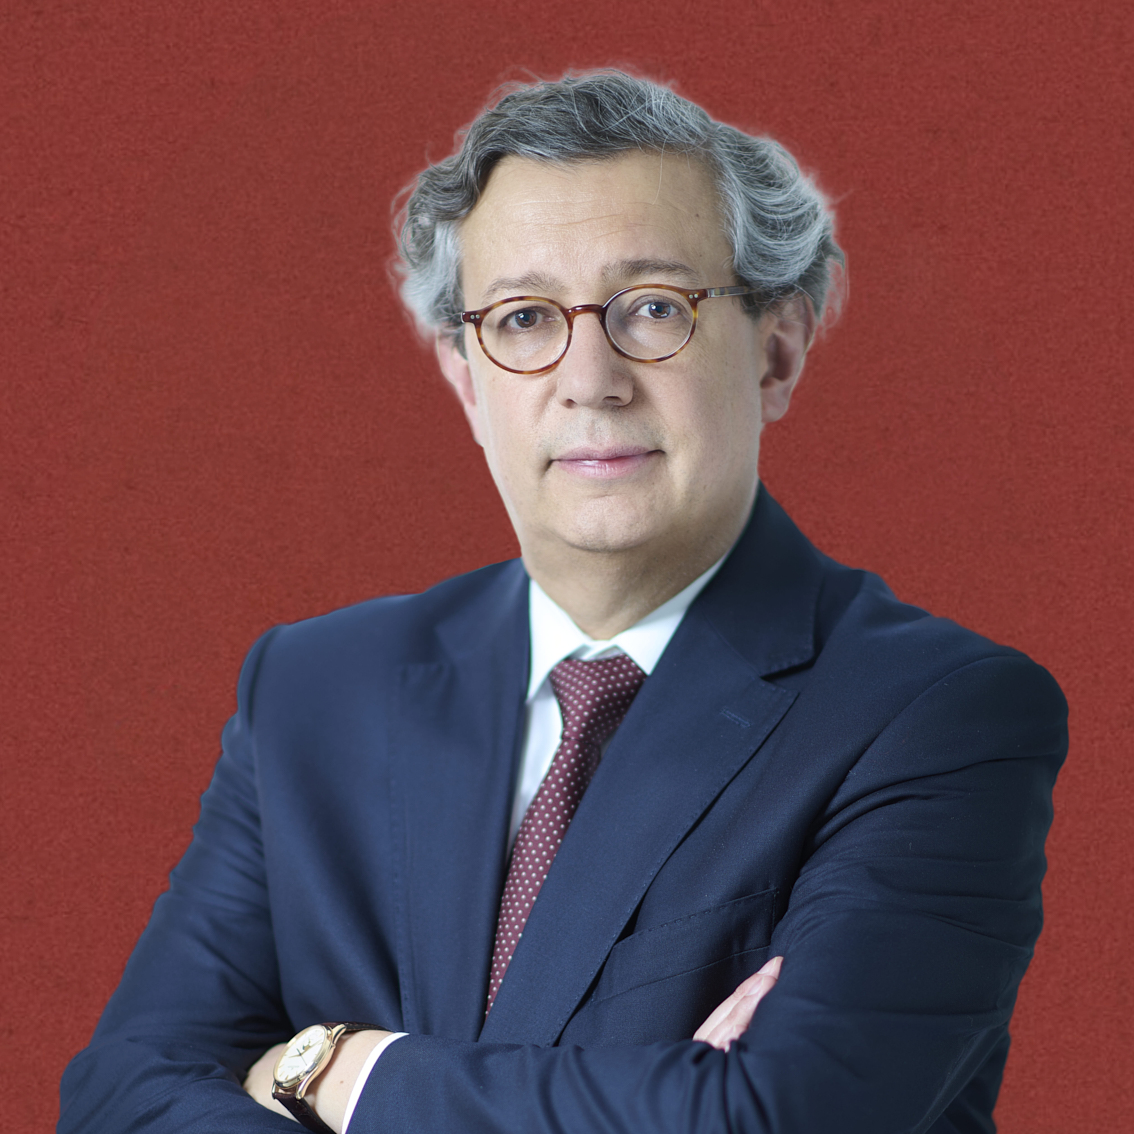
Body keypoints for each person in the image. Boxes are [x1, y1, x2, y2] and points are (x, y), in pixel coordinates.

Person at [59, 71, 1067, 1134]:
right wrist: (658, 1098)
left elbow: (780, 1117)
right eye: (526, 317)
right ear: (466, 379)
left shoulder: (937, 714)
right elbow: (121, 1098)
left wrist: (341, 1070)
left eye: (655, 308)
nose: (591, 378)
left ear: (777, 350)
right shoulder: (313, 690)